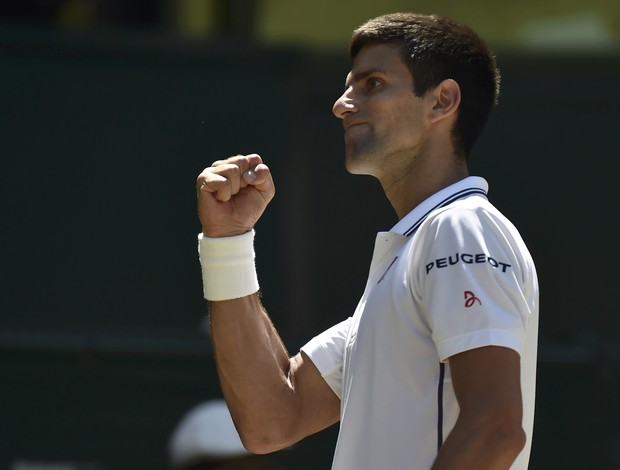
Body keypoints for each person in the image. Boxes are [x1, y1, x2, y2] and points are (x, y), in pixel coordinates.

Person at [195, 12, 539, 470]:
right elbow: (272, 419)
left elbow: (495, 428)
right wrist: (228, 242)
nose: (342, 104)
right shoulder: (416, 252)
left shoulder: (457, 227)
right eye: (348, 86)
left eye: (372, 84)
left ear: (442, 101)